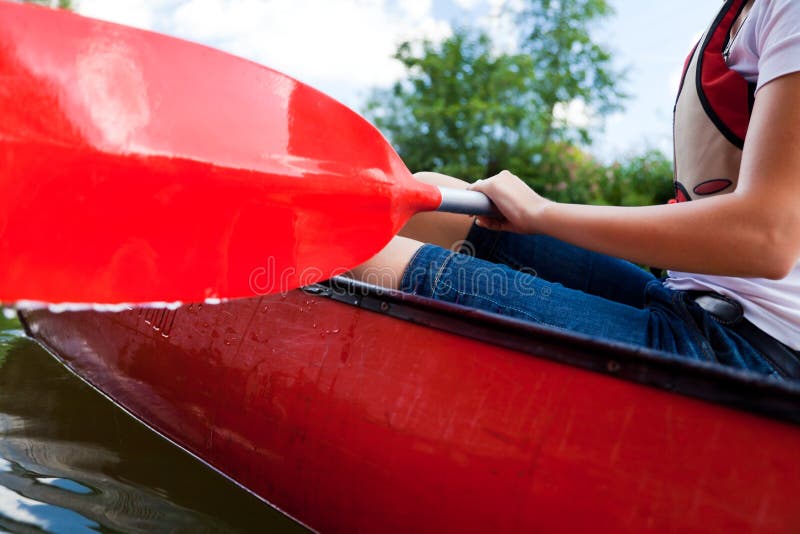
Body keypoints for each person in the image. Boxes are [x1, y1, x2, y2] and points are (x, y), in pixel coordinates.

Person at [349, 0, 800, 379]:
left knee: (361, 255)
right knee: (428, 200)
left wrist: (543, 212)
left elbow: (768, 238)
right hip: (685, 300)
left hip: (745, 353)